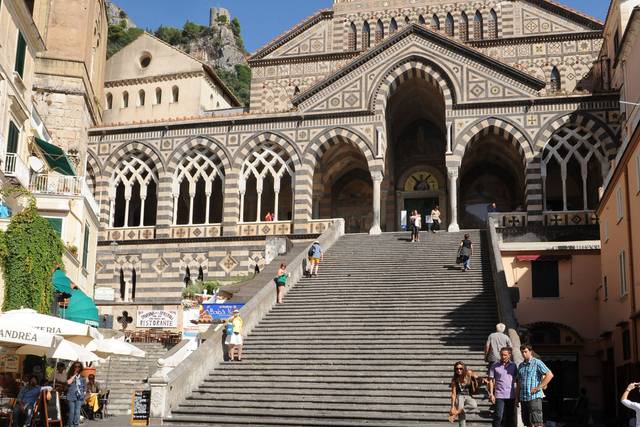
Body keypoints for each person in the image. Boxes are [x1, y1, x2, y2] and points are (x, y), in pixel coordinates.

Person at [516, 344, 554, 427]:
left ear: (530, 352)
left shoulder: (537, 362)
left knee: (537, 423)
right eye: (522, 352)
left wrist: (538, 387)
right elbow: (519, 382)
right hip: (523, 398)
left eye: (525, 352)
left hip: (534, 397)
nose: (523, 354)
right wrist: (517, 397)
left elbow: (549, 375)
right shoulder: (521, 366)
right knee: (527, 423)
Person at [488, 348, 517, 427]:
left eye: (505, 355)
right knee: (498, 416)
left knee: (510, 417)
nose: (503, 356)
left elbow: (516, 381)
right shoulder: (494, 365)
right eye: (501, 355)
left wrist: (517, 395)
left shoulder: (514, 366)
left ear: (509, 355)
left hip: (511, 395)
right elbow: (490, 380)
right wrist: (491, 394)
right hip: (499, 395)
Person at [448, 361, 479, 426]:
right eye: (457, 369)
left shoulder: (468, 373)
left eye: (460, 368)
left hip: (468, 396)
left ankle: (456, 413)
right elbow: (453, 394)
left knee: (474, 405)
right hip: (459, 397)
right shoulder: (454, 379)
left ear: (464, 368)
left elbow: (476, 376)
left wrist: (475, 376)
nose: (459, 370)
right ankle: (458, 413)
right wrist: (452, 407)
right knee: (462, 418)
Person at [66, 362, 86, 427]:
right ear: (73, 367)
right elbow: (68, 383)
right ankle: (71, 425)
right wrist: (74, 375)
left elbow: (84, 387)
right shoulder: (70, 375)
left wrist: (83, 395)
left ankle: (76, 425)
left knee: (77, 412)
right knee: (72, 412)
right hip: (71, 396)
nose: (77, 368)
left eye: (78, 366)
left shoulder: (82, 377)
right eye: (75, 366)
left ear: (81, 368)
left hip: (79, 397)